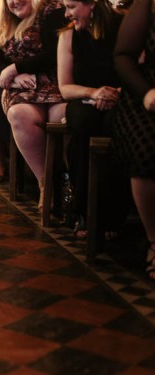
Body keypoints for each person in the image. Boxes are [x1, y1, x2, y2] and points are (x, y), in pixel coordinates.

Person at [57, 0, 124, 237]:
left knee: (114, 126)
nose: (67, 14)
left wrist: (114, 94)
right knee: (84, 125)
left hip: (120, 99)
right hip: (83, 99)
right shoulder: (67, 37)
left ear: (92, 4)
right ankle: (84, 212)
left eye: (72, 7)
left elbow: (137, 69)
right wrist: (93, 93)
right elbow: (65, 88)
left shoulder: (123, 27)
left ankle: (114, 215)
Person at [0, 0, 67, 210]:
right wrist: (12, 77)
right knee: (19, 115)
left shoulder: (52, 10)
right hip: (21, 92)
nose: (14, 2)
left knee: (64, 118)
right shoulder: (6, 22)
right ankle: (45, 183)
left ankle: (72, 184)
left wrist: (15, 68)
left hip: (56, 84)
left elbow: (53, 55)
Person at [112, 0, 155, 280]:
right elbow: (123, 55)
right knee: (148, 148)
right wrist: (147, 92)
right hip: (146, 95)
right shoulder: (148, 4)